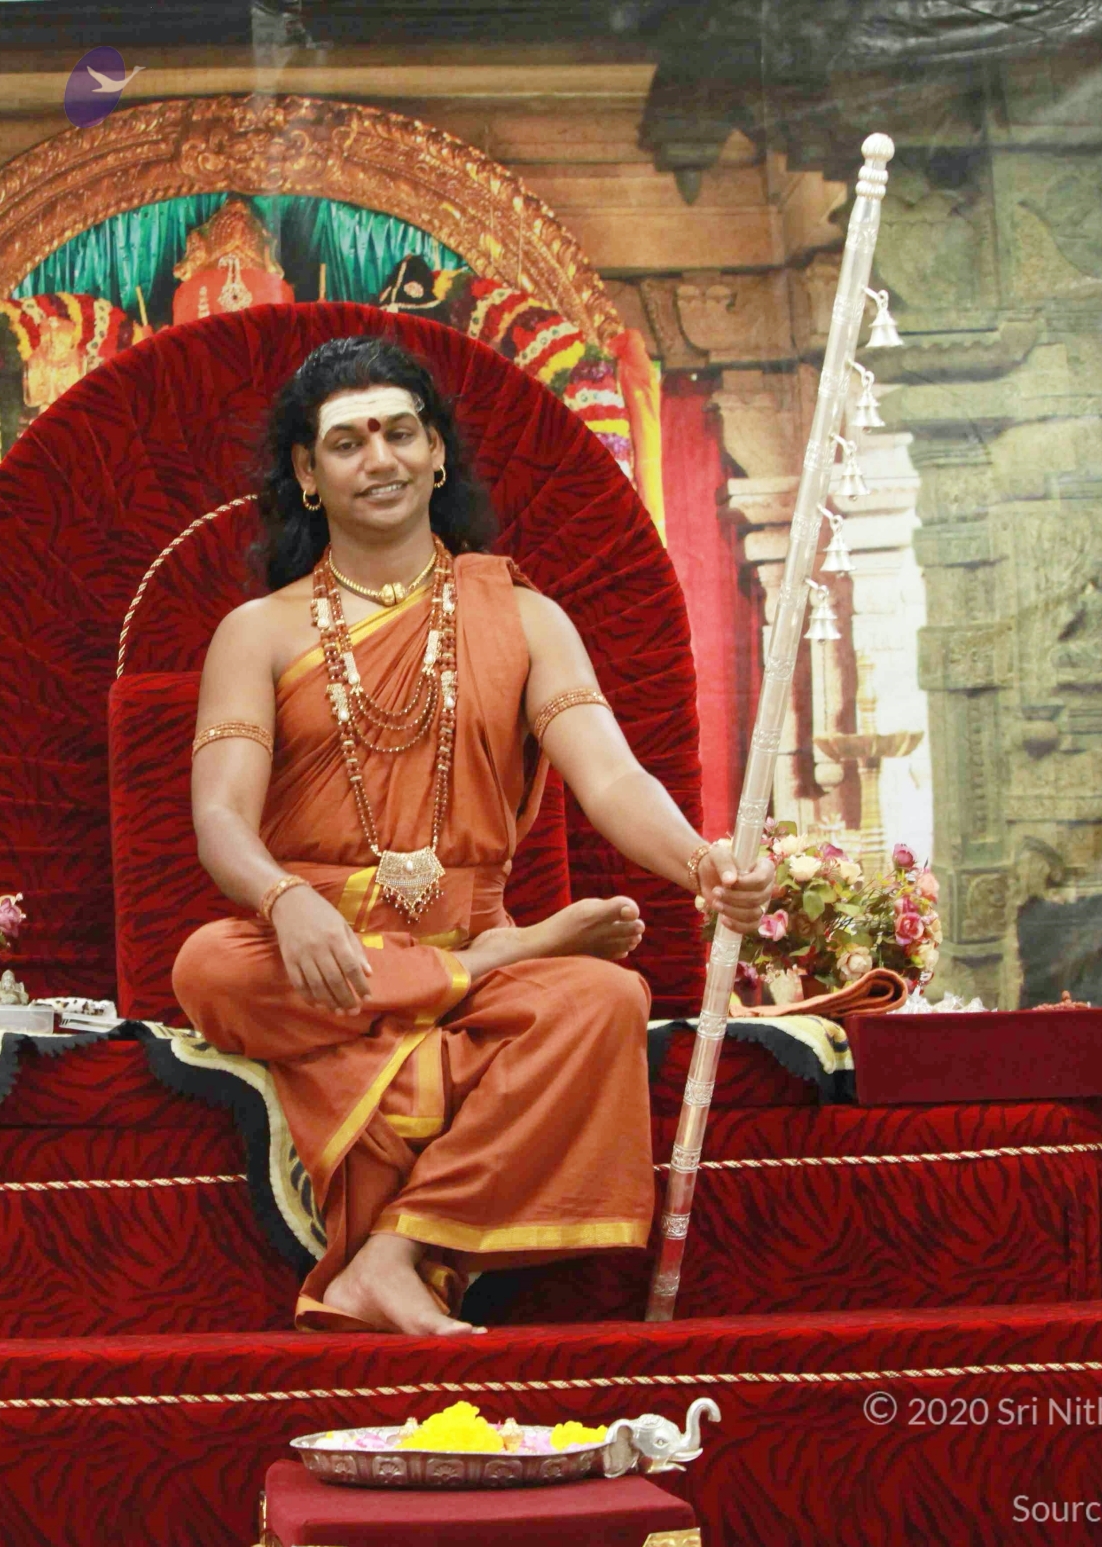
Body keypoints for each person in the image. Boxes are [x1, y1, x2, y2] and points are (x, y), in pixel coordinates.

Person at [171, 334, 773, 1336]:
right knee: (207, 965)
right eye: (348, 442)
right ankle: (504, 960)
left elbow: (611, 775)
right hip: (320, 953)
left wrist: (701, 860)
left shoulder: (525, 618)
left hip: (441, 948)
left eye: (400, 433)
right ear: (309, 475)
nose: (381, 458)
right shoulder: (260, 631)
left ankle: (389, 1258)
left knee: (605, 998)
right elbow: (219, 817)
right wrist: (285, 900)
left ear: (437, 453)